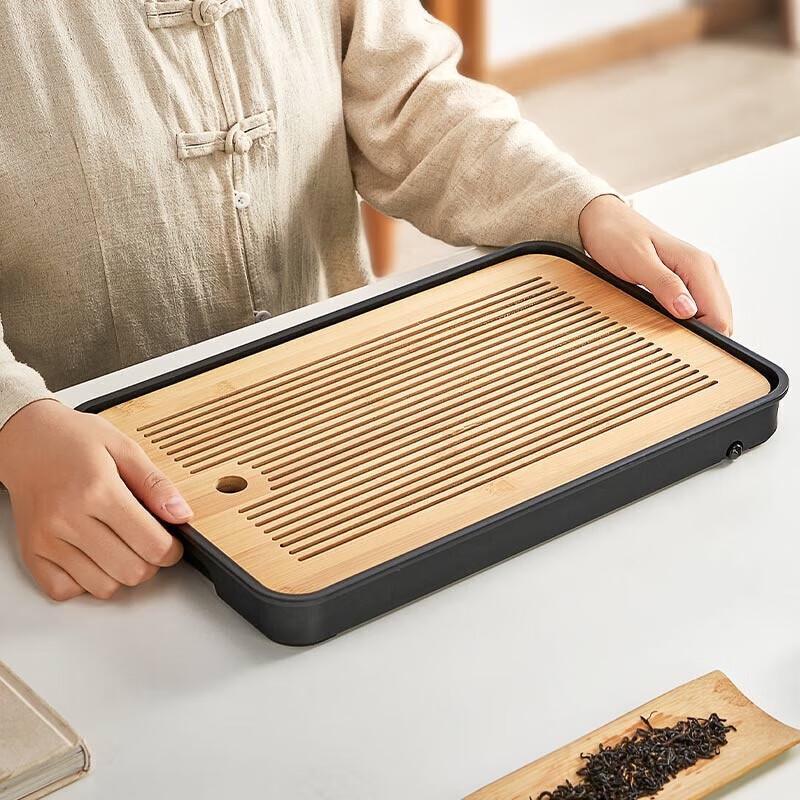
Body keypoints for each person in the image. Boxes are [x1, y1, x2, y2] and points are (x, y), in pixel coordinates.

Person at [0, 0, 732, 602]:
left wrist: (579, 207)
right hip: (76, 498)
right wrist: (16, 424)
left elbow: (411, 103)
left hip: (328, 415)